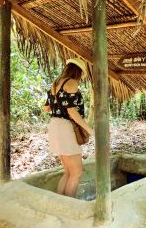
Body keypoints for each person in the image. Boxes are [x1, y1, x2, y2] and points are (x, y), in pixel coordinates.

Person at [42, 58, 94, 198]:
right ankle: (69, 205)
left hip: (54, 126)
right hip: (65, 128)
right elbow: (71, 111)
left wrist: (57, 105)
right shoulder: (72, 83)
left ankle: (59, 203)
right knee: (76, 172)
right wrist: (89, 129)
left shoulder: (55, 84)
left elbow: (46, 108)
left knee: (68, 172)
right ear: (78, 71)